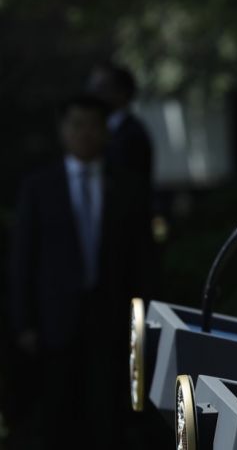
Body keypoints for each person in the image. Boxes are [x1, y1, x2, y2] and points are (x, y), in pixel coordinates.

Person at [8, 95, 154, 448]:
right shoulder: (39, 186)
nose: (85, 133)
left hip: (111, 318)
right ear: (63, 131)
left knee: (107, 415)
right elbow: (22, 258)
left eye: (93, 125)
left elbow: (144, 260)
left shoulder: (128, 186)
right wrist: (23, 321)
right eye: (77, 125)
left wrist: (143, 318)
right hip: (54, 320)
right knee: (57, 416)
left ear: (105, 132)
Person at [87, 62, 154, 199]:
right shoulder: (107, 129)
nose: (94, 93)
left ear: (121, 92)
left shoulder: (132, 134)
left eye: (101, 87)